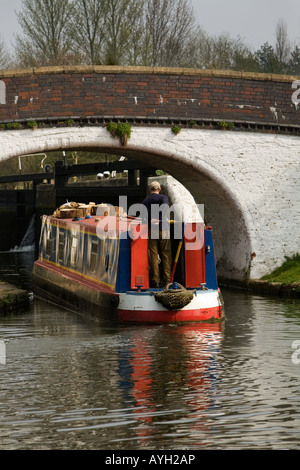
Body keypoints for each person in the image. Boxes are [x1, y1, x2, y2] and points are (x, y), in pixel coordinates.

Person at [142, 181, 172, 288]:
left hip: (152, 230)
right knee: (166, 254)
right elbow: (164, 209)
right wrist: (159, 219)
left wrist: (151, 220)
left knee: (154, 255)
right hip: (163, 228)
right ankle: (167, 279)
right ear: (159, 189)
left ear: (150, 190)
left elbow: (144, 217)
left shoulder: (145, 201)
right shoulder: (163, 198)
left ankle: (155, 280)